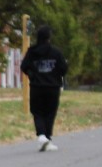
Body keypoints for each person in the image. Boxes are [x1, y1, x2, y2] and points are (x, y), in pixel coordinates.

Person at [21, 24, 68, 152]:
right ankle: (47, 138)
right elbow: (64, 69)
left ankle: (42, 136)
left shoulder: (31, 52)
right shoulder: (56, 53)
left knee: (37, 112)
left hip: (36, 87)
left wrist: (32, 75)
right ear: (49, 38)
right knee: (50, 113)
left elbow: (24, 66)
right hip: (53, 87)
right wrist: (55, 74)